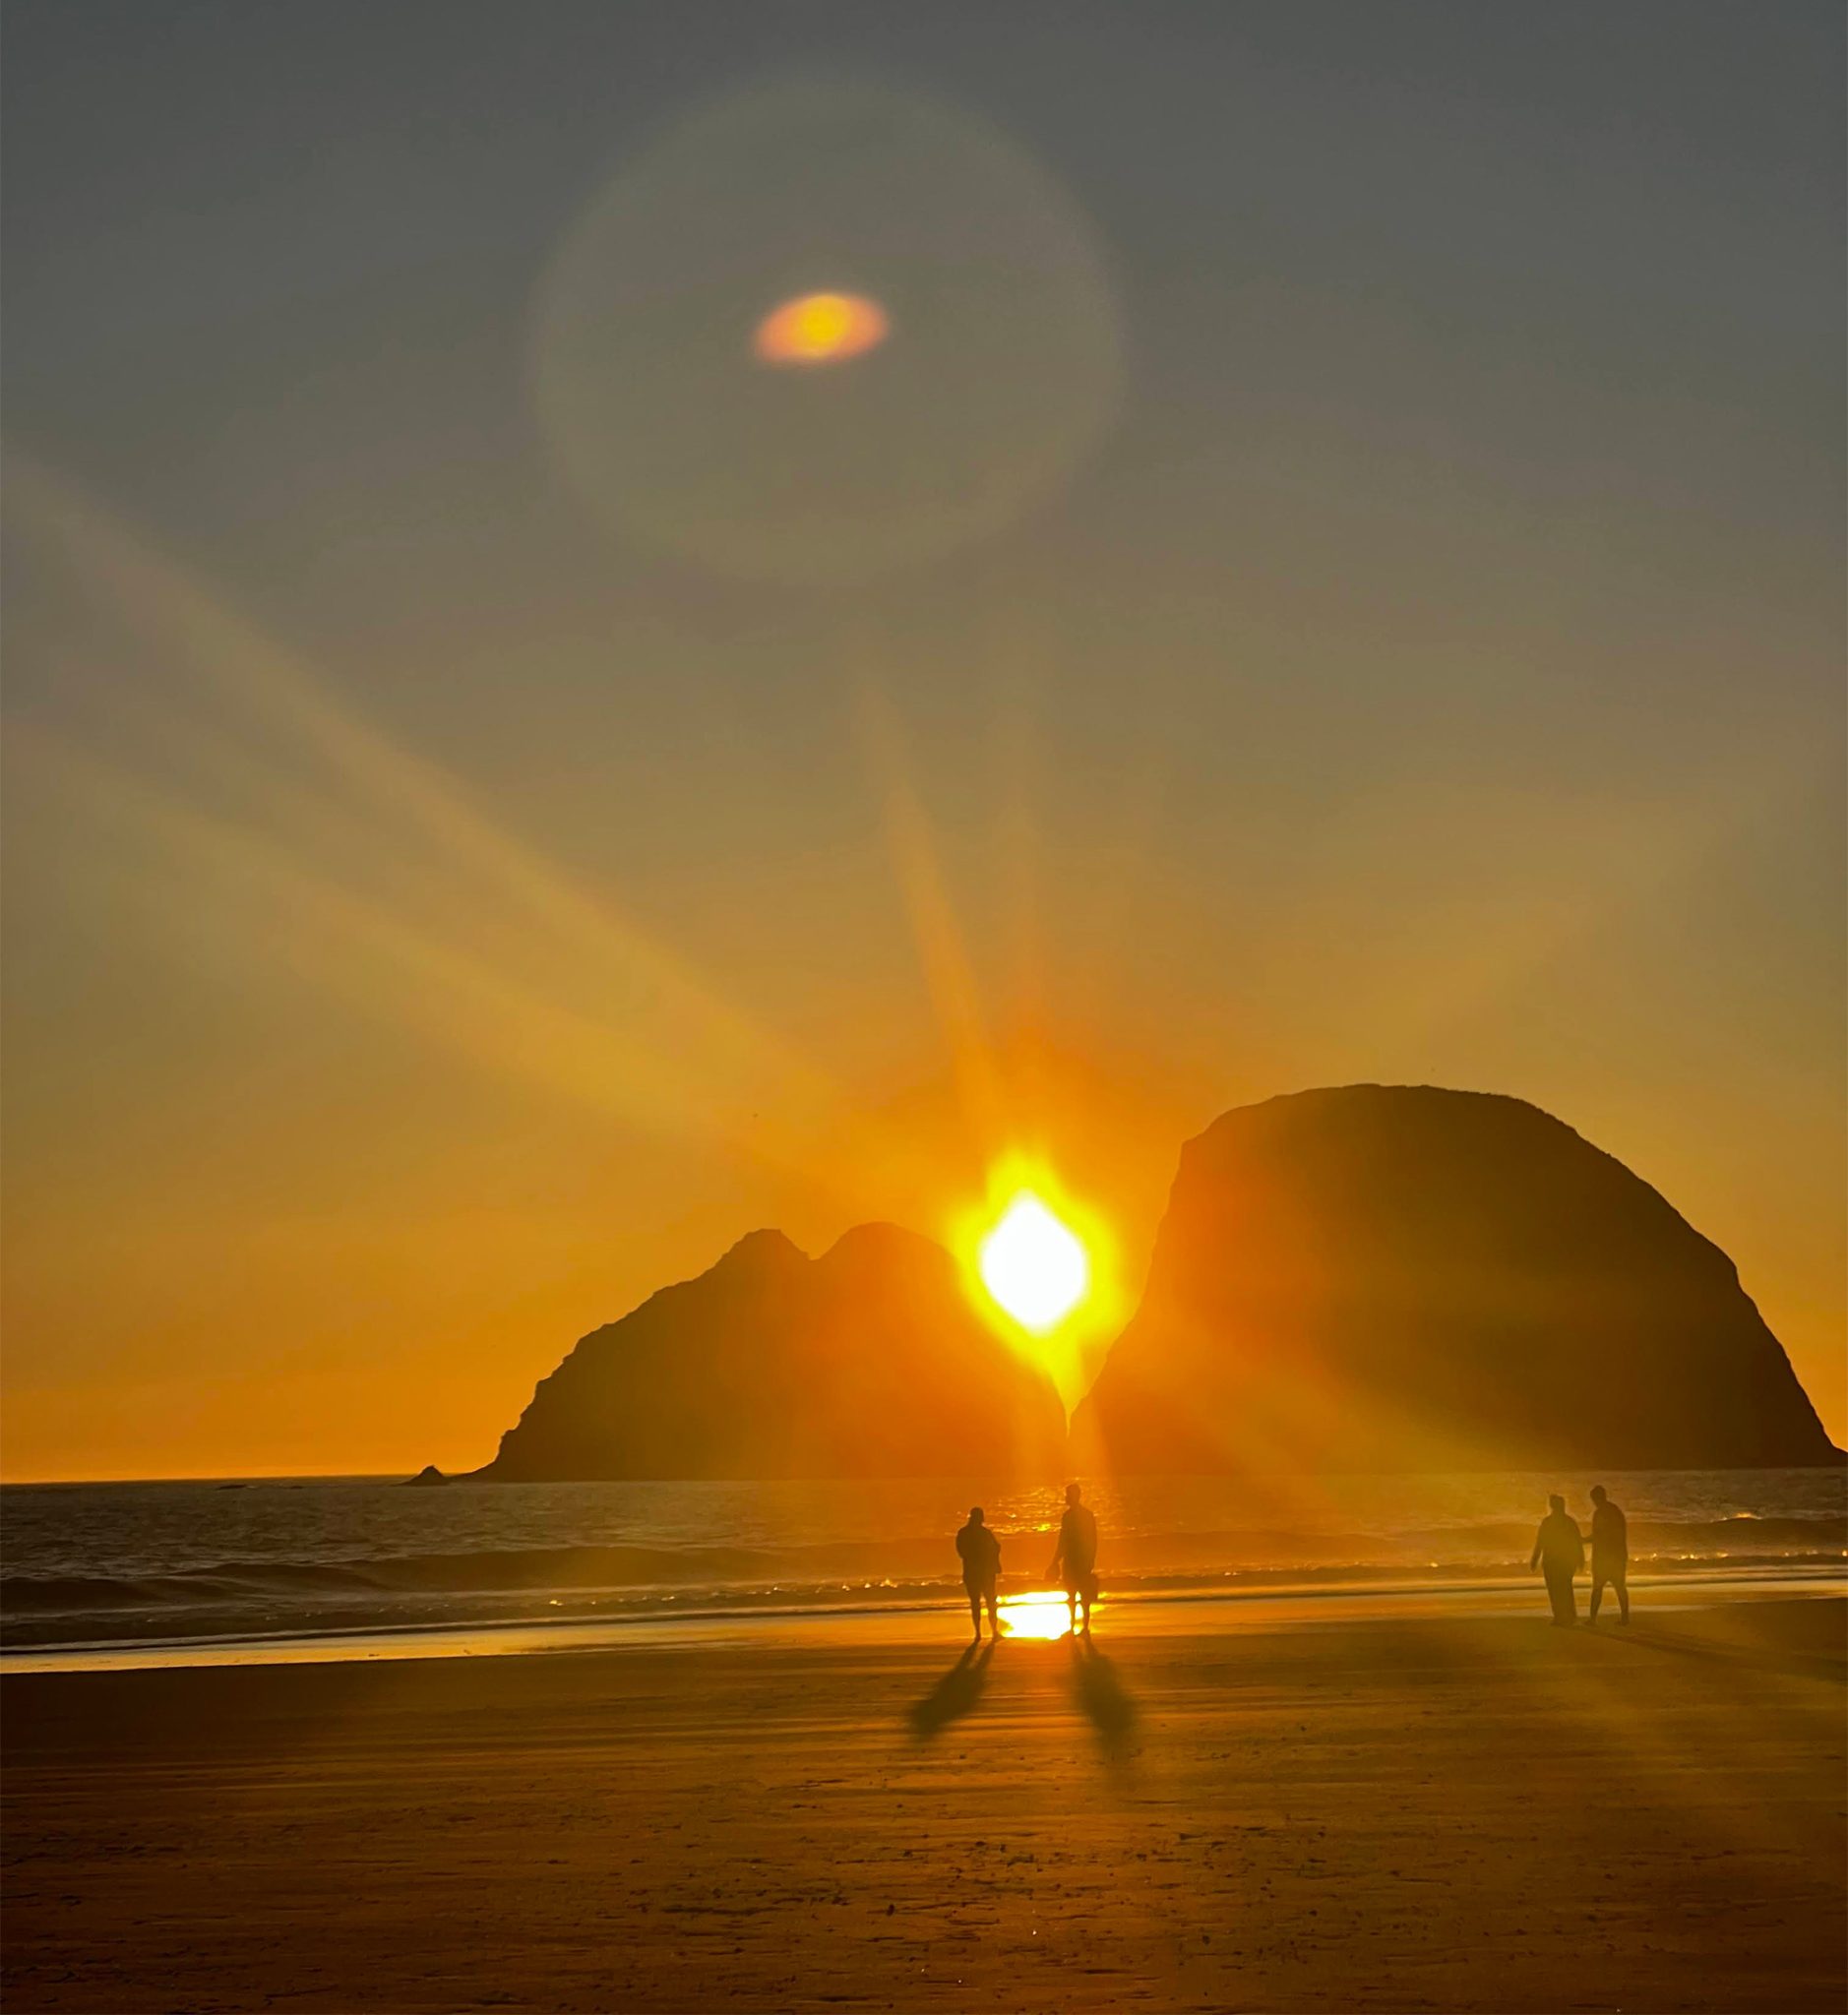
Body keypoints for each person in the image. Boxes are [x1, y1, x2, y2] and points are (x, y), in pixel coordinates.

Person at [1047, 1482, 1099, 1634]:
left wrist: (1055, 1560)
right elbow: (1091, 1540)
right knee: (1080, 1596)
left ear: (1074, 1496)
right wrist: (1056, 1560)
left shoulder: (1073, 1516)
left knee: (1076, 1595)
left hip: (1075, 1561)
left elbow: (1066, 1540)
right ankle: (1081, 1627)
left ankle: (1078, 1627)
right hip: (1077, 1561)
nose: (1065, 1497)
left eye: (1068, 1494)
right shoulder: (1079, 1515)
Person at [1529, 1493, 1585, 1627]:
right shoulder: (1569, 1522)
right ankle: (1569, 1616)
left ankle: (1560, 1617)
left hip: (1552, 1561)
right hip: (1566, 1562)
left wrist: (1535, 1559)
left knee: (1555, 1590)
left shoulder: (1548, 1522)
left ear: (1551, 1506)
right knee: (1566, 1588)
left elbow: (1540, 1542)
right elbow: (1577, 1542)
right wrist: (1580, 1560)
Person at [955, 1506, 1002, 1641]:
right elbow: (996, 1548)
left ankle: (979, 1634)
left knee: (976, 1603)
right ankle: (993, 1632)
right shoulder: (985, 1533)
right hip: (985, 1572)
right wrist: (995, 1564)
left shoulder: (963, 1533)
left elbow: (961, 1552)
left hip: (971, 1572)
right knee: (990, 1602)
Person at [1587, 1484, 1630, 1625]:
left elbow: (1599, 1535)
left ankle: (1593, 1618)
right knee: (1620, 1587)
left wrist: (1582, 1540)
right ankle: (1625, 1617)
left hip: (1604, 1557)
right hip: (1618, 1555)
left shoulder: (1600, 1513)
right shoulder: (1615, 1510)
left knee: (1598, 1588)